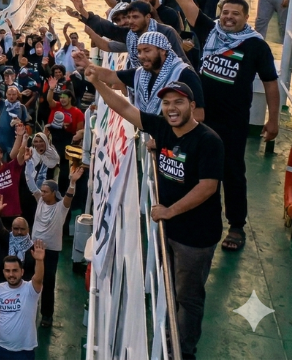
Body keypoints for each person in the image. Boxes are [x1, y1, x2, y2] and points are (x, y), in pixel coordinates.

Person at [89, 75, 222, 360]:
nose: (171, 108)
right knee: (169, 286)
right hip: (168, 229)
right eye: (166, 103)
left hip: (195, 237)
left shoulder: (208, 141)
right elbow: (124, 109)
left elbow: (208, 187)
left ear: (192, 105)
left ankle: (183, 352)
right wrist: (97, 84)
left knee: (188, 298)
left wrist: (169, 211)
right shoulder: (163, 128)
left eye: (178, 103)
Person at [161, 0, 280, 252]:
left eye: (234, 14)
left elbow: (270, 83)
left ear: (245, 18)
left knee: (232, 172)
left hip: (233, 121)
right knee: (195, 167)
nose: (228, 17)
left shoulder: (256, 46)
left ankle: (236, 225)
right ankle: (191, 211)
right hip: (200, 116)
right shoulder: (210, 30)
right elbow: (184, 1)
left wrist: (274, 119)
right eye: (225, 12)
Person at [74, 32, 205, 120]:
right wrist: (86, 63)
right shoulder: (141, 73)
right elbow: (110, 76)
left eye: (147, 51)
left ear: (163, 50)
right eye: (139, 51)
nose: (142, 56)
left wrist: (164, 131)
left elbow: (199, 115)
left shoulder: (184, 74)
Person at [24, 166, 83, 328]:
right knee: (29, 279)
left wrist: (72, 182)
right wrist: (28, 163)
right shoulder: (40, 201)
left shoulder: (60, 208)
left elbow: (69, 197)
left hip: (50, 252)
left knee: (48, 283)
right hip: (33, 248)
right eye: (41, 191)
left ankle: (47, 316)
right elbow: (30, 182)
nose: (42, 193)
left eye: (45, 191)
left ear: (54, 193)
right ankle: (28, 308)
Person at [0, 242, 46, 360]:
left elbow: (38, 278)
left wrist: (39, 260)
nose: (11, 274)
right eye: (7, 271)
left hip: (23, 351)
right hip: (0, 347)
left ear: (22, 272)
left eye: (15, 270)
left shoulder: (30, 289)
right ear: (3, 272)